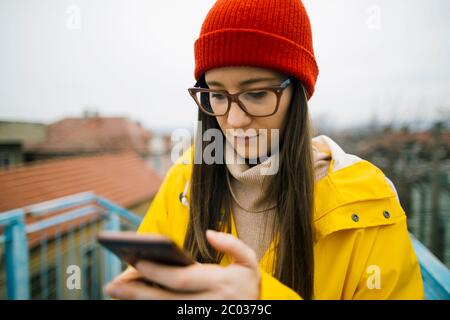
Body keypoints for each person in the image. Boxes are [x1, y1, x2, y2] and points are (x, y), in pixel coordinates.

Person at [105, 0, 424, 300]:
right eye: (217, 95)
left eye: (256, 94)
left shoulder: (367, 201)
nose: (234, 119)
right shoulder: (183, 180)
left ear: (297, 94)